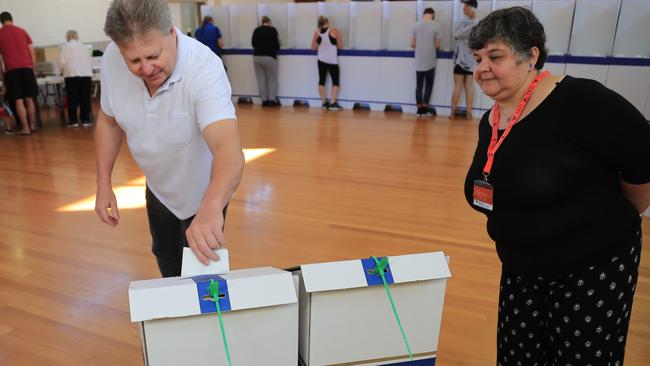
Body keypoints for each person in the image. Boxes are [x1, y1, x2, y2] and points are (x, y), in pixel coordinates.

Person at [463, 7, 650, 366]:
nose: (482, 67)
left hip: (591, 272)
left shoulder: (582, 102)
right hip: (521, 272)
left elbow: (642, 165)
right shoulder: (492, 117)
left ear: (531, 55)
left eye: (495, 56)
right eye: (477, 58)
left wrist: (618, 216)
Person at [95, 0, 245, 277]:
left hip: (204, 193)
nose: (147, 69)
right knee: (166, 260)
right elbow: (108, 119)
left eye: (154, 56)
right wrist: (103, 184)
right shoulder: (112, 59)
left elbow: (229, 149)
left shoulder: (204, 68)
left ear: (172, 34)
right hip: (158, 190)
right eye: (134, 61)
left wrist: (212, 206)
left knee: (203, 276)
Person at [0, 11, 38, 135]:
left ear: (1, 22)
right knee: (30, 99)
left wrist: (2, 74)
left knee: (18, 101)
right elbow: (32, 51)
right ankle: (32, 125)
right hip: (27, 69)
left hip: (11, 71)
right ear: (12, 19)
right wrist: (33, 68)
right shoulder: (22, 31)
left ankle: (25, 128)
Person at [410, 7, 441, 117]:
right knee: (428, 84)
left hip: (419, 60)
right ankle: (425, 107)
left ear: (424, 14)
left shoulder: (415, 25)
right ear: (432, 14)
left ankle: (419, 110)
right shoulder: (436, 26)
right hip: (430, 61)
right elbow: (437, 45)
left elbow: (412, 44)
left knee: (419, 85)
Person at [59, 30, 93, 127]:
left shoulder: (65, 46)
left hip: (71, 75)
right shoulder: (83, 46)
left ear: (67, 37)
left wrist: (60, 71)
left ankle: (73, 121)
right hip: (86, 74)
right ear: (77, 36)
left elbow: (62, 62)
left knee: (72, 98)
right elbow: (89, 60)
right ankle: (86, 120)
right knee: (85, 98)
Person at [451, 0, 478, 120]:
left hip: (466, 60)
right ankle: (459, 112)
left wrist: (467, 22)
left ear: (473, 8)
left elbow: (456, 34)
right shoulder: (477, 24)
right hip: (467, 61)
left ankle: (464, 113)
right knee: (464, 87)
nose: (464, 8)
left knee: (465, 87)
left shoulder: (473, 23)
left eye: (466, 6)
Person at [310, 16, 342, 111]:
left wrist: (318, 45)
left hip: (321, 60)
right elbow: (340, 46)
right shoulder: (334, 31)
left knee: (321, 81)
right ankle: (332, 103)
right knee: (335, 81)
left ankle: (324, 103)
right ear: (327, 22)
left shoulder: (316, 32)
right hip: (332, 60)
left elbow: (312, 47)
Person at [251, 16, 280, 107]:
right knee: (272, 79)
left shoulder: (256, 30)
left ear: (262, 22)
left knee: (261, 80)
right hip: (269, 57)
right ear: (269, 22)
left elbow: (253, 44)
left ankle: (264, 101)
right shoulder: (273, 30)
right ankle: (271, 100)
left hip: (257, 58)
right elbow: (277, 45)